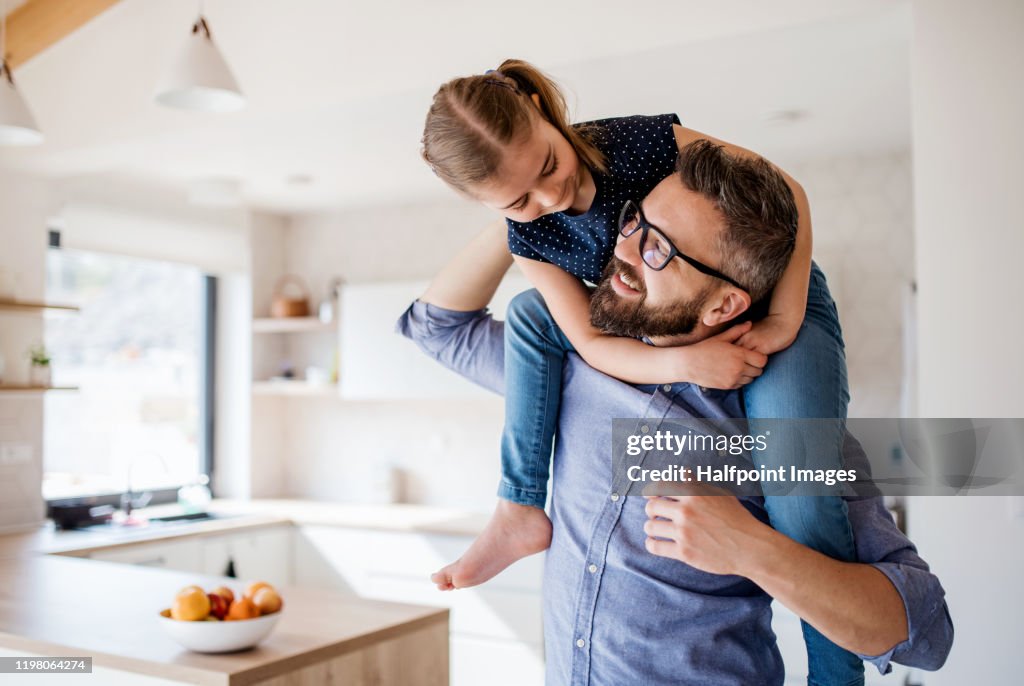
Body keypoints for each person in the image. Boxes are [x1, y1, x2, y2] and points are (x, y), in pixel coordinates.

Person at [397, 141, 953, 684]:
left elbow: (927, 633)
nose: (624, 250)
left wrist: (754, 550)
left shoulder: (785, 436)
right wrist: (528, 197)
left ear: (725, 305)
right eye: (635, 221)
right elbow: (434, 327)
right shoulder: (567, 373)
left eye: (658, 250)